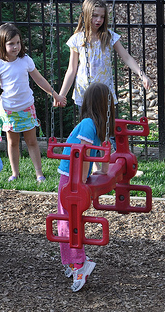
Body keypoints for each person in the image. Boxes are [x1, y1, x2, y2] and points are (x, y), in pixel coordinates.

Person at [0, 23, 66, 183]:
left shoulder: (25, 60)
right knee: (12, 142)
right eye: (11, 44)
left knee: (32, 141)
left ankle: (39, 173)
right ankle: (15, 173)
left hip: (27, 108)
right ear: (2, 44)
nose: (16, 47)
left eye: (18, 42)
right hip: (8, 111)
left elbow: (39, 79)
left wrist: (55, 94)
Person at [56, 82, 115, 292]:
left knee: (66, 222)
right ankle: (75, 260)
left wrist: (80, 181)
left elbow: (81, 154)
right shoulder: (97, 125)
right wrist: (103, 170)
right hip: (72, 177)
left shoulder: (89, 123)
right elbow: (101, 151)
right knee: (68, 220)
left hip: (70, 179)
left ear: (88, 102)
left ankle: (79, 263)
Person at [57, 0, 153, 110]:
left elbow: (126, 57)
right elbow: (72, 69)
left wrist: (142, 75)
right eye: (95, 16)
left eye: (102, 17)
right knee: (88, 126)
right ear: (86, 15)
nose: (99, 20)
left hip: (104, 91)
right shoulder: (77, 39)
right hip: (84, 91)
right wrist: (61, 94)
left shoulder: (109, 36)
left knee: (105, 126)